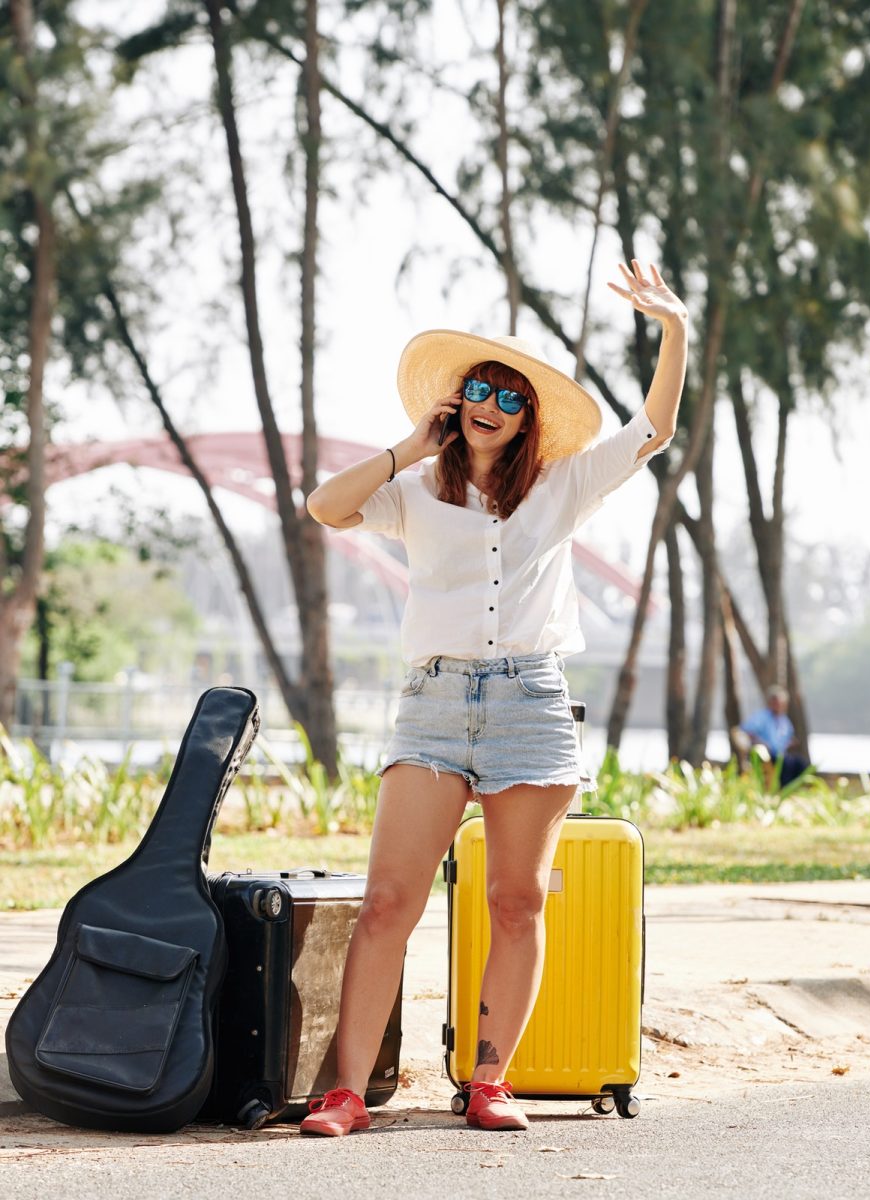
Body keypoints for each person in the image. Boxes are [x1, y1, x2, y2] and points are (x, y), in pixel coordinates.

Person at [301, 260, 687, 1136]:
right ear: (455, 401)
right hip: (432, 705)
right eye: (478, 388)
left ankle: (486, 1082)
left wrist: (675, 330)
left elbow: (653, 431)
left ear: (529, 420)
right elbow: (326, 507)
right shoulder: (414, 493)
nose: (490, 404)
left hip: (529, 705)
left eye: (510, 397)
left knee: (518, 900)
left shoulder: (562, 488)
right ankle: (346, 1092)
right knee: (389, 901)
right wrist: (410, 443)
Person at [739, 685, 809, 786]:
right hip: (765, 755)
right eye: (775, 701)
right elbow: (746, 731)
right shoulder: (761, 716)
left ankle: (791, 790)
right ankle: (780, 789)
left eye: (780, 702)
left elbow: (788, 738)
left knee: (801, 764)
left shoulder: (784, 720)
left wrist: (790, 743)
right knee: (785, 765)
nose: (777, 704)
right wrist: (761, 743)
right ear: (770, 702)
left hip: (781, 754)